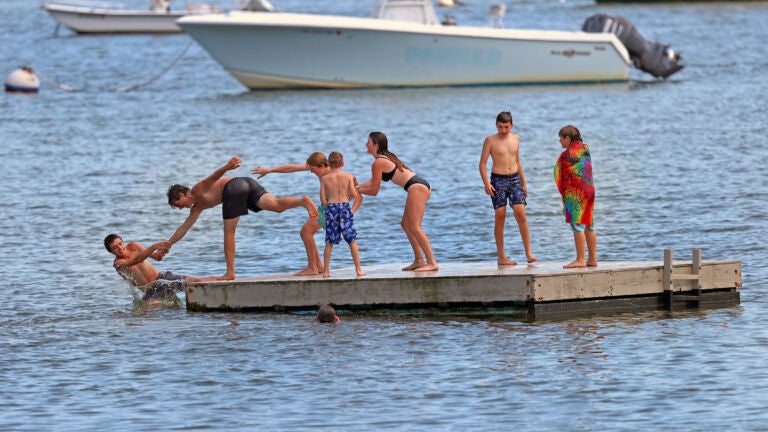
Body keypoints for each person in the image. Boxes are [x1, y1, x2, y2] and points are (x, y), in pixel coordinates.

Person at [165, 156, 318, 280]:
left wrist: (227, 167)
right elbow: (184, 227)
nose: (180, 208)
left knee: (229, 232)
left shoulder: (197, 190)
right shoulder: (197, 208)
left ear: (182, 194)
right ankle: (302, 201)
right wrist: (168, 244)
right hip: (247, 183)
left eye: (178, 204)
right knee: (277, 206)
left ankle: (230, 273)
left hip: (233, 188)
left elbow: (213, 177)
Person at [358, 132, 438, 272]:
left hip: (417, 187)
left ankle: (432, 262)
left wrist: (355, 191)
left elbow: (374, 190)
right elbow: (372, 182)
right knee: (406, 224)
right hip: (417, 185)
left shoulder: (378, 162)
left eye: (368, 142)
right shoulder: (382, 159)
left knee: (415, 227)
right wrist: (355, 187)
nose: (366, 144)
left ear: (376, 145)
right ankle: (419, 260)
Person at [251, 152, 341, 276]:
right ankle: (318, 266)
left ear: (322, 166)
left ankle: (312, 267)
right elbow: (291, 168)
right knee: (307, 232)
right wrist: (270, 170)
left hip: (333, 209)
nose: (311, 172)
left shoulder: (333, 174)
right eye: (310, 169)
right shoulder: (320, 167)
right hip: (324, 208)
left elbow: (349, 184)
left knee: (306, 231)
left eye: (313, 169)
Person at [479, 111, 537, 265]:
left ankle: (529, 253)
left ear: (511, 125)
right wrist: (486, 183)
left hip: (515, 179)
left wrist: (524, 183)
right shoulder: (490, 140)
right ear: (496, 126)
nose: (503, 130)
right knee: (500, 216)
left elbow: (517, 161)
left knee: (521, 213)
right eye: (500, 127)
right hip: (498, 180)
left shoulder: (516, 138)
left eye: (506, 127)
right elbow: (482, 164)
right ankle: (502, 257)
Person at [103, 233, 216, 305]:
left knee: (195, 281)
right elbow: (136, 260)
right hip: (151, 290)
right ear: (111, 252)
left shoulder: (134, 246)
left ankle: (221, 279)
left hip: (162, 278)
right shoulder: (118, 264)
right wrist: (154, 246)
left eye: (120, 244)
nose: (120, 248)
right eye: (115, 247)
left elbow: (156, 258)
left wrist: (161, 252)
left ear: (123, 242)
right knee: (148, 308)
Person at [555, 125, 597, 268]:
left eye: (561, 139)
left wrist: (564, 195)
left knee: (577, 225)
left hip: (576, 194)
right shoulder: (585, 149)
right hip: (589, 191)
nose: (560, 141)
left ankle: (580, 259)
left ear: (567, 138)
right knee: (589, 225)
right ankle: (592, 259)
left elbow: (560, 175)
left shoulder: (565, 155)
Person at [320, 151, 364, 278]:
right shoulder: (348, 176)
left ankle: (326, 271)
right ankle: (358, 270)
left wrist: (329, 205)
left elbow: (323, 199)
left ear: (328, 164)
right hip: (344, 207)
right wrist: (350, 194)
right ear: (343, 163)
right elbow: (354, 195)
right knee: (351, 240)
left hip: (331, 208)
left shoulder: (324, 179)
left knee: (329, 242)